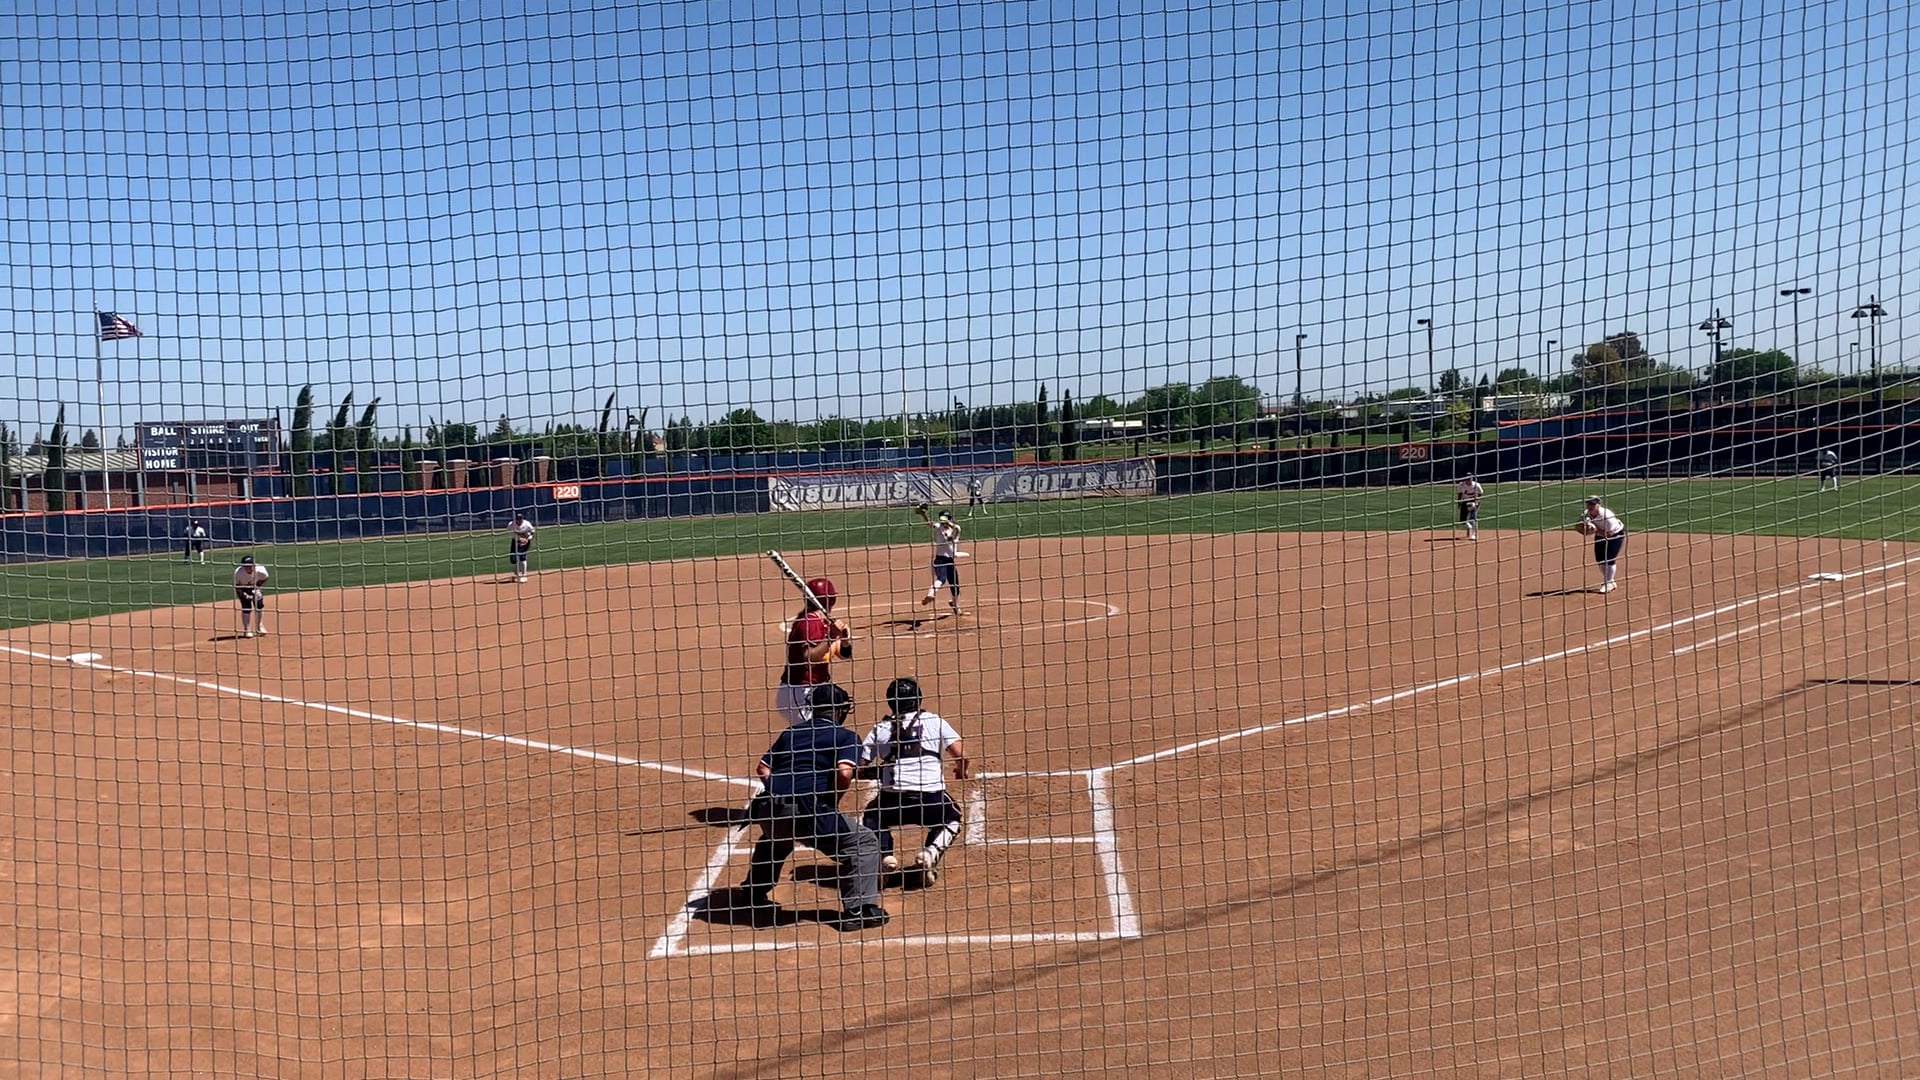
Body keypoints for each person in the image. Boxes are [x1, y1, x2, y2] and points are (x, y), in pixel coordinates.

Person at [724, 683, 890, 931]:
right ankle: (858, 911)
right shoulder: (845, 736)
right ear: (839, 710)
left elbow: (762, 768)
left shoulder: (791, 733)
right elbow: (844, 773)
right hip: (807, 810)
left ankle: (752, 893)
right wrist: (830, 800)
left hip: (767, 809)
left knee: (774, 838)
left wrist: (781, 791)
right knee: (863, 842)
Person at [859, 676, 969, 885]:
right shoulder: (935, 721)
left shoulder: (880, 728)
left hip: (893, 801)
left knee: (872, 817)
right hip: (930, 799)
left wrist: (880, 771)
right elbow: (962, 756)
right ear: (918, 699)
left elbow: (859, 768)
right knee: (952, 817)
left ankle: (884, 857)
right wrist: (960, 770)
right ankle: (930, 853)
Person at [775, 577, 852, 724]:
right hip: (799, 692)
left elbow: (845, 655)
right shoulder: (809, 622)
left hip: (813, 690)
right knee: (816, 732)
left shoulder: (824, 621)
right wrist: (831, 637)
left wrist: (844, 641)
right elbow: (809, 657)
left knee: (828, 724)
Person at [914, 504, 963, 613]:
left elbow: (952, 536)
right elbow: (930, 523)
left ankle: (955, 604)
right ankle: (931, 594)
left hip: (950, 561)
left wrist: (950, 524)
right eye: (942, 520)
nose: (944, 522)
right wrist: (923, 514)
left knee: (955, 584)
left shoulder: (955, 529)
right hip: (940, 560)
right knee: (942, 578)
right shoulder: (938, 527)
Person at [1577, 496, 1627, 594]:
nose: (1590, 506)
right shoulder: (1586, 514)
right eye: (1588, 504)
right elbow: (1579, 525)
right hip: (1600, 536)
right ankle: (1610, 581)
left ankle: (1608, 583)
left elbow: (1609, 533)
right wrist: (1584, 527)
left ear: (1598, 505)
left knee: (1609, 558)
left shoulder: (1607, 516)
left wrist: (1594, 529)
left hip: (1615, 535)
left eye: (1592, 504)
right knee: (1600, 559)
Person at [232, 555, 270, 638]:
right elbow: (237, 586)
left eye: (250, 565)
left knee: (259, 605)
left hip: (255, 587)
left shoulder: (261, 570)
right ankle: (247, 629)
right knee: (246, 607)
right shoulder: (238, 573)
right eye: (245, 566)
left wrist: (258, 586)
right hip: (243, 588)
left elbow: (265, 577)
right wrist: (244, 594)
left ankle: (259, 627)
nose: (248, 567)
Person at [1454, 474, 1484, 541]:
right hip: (1465, 501)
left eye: (1469, 478)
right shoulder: (1461, 485)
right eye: (1467, 478)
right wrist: (1459, 503)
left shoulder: (1476, 485)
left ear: (1472, 479)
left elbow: (1480, 493)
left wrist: (1476, 501)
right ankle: (1469, 527)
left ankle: (1474, 534)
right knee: (1462, 520)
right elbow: (1460, 494)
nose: (1468, 480)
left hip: (1474, 501)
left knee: (1472, 518)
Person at [507, 511, 535, 582]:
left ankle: (524, 575)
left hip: (525, 541)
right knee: (513, 559)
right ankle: (517, 572)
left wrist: (528, 537)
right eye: (517, 519)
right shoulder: (511, 524)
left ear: (522, 519)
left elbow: (532, 530)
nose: (519, 521)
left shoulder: (527, 524)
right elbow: (508, 529)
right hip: (515, 541)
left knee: (522, 556)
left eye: (520, 519)